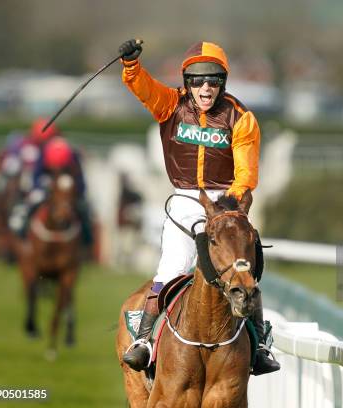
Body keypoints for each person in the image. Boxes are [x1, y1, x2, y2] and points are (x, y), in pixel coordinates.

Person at [118, 39, 279, 375]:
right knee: (173, 267)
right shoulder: (170, 104)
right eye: (198, 80)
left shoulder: (241, 117)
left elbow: (246, 172)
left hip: (227, 202)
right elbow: (144, 89)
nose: (206, 87)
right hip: (185, 199)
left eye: (214, 80)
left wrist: (228, 206)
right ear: (187, 81)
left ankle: (260, 344)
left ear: (223, 81)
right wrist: (132, 66)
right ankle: (144, 340)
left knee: (243, 269)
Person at [13, 137, 93, 247]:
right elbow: (35, 177)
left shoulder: (73, 159)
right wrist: (42, 187)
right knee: (31, 202)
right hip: (45, 186)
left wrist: (76, 192)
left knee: (83, 207)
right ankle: (22, 231)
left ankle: (87, 238)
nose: (57, 168)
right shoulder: (42, 156)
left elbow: (80, 181)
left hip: (66, 189)